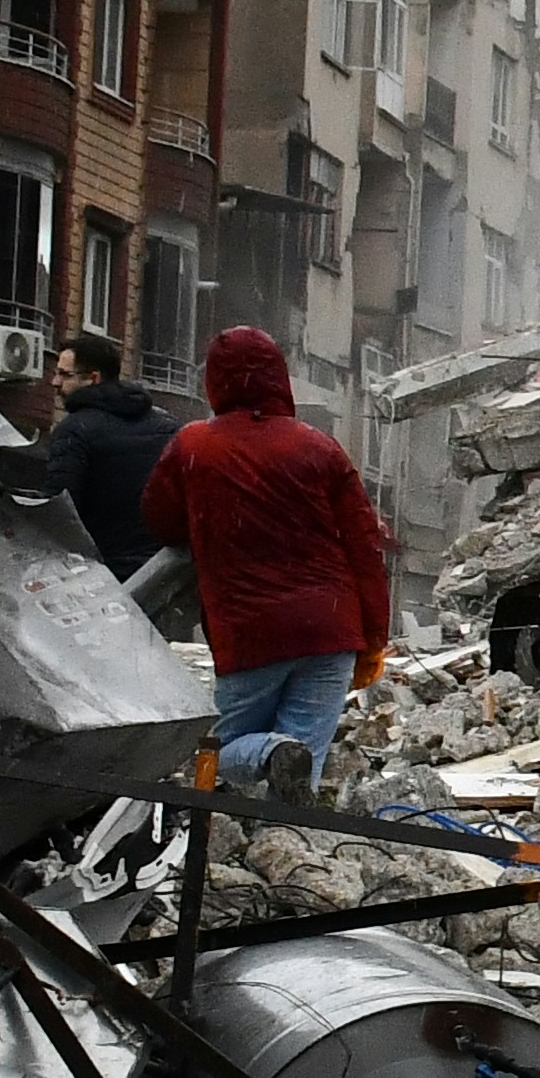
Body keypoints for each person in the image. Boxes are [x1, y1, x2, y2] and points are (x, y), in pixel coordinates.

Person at [141, 326, 390, 800]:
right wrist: (373, 639)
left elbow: (160, 520)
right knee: (303, 766)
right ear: (280, 378)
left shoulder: (193, 446)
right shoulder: (320, 448)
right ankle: (287, 846)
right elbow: (364, 549)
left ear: (214, 381)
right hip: (330, 628)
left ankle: (270, 754)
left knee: (220, 755)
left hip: (248, 632)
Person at [20, 327, 180, 574]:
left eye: (64, 375)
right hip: (162, 573)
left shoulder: (73, 430)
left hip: (104, 576)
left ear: (93, 379)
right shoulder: (167, 425)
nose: (54, 382)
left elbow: (60, 514)